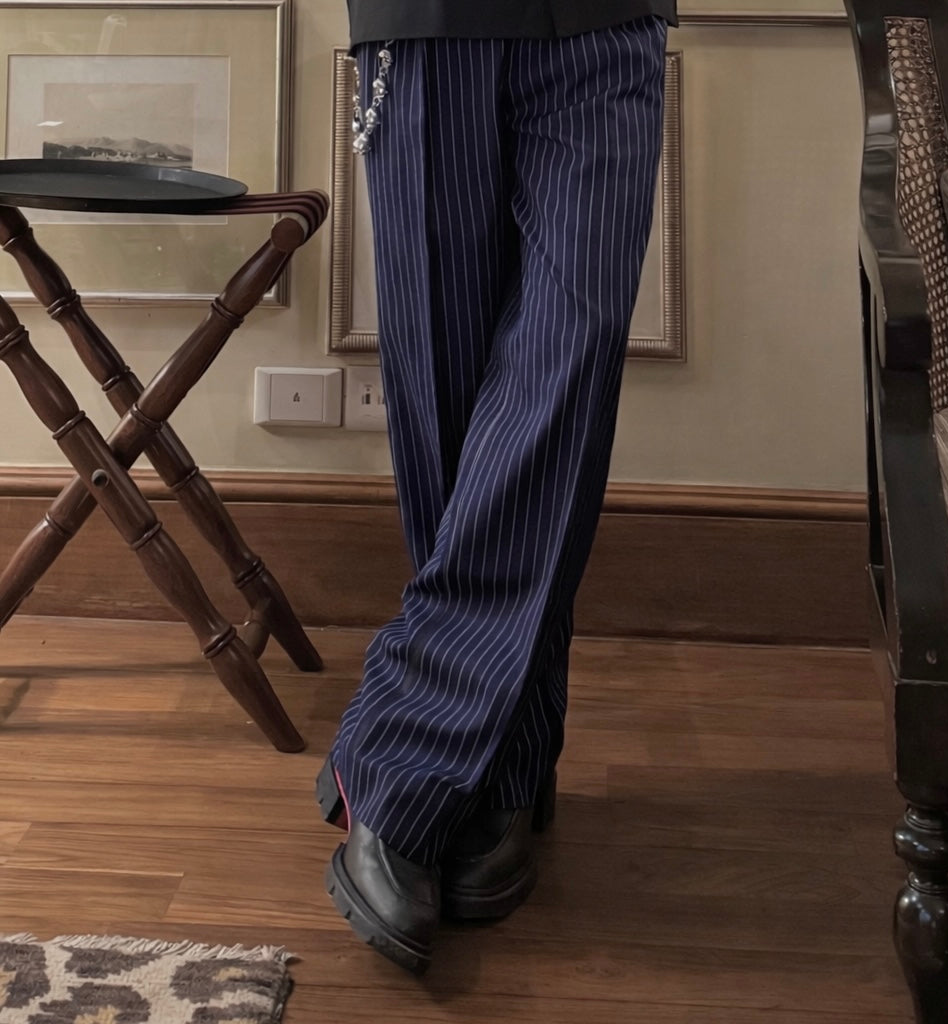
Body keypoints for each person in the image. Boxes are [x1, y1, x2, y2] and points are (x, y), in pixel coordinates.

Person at [317, 0, 678, 974]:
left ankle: (403, 755)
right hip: (425, 23)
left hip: (607, 21)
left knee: (568, 361)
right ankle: (505, 765)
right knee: (446, 403)